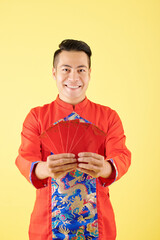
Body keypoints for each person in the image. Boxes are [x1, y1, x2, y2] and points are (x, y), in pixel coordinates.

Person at [16, 39, 131, 240]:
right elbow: (25, 158)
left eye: (81, 70)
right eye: (66, 69)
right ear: (54, 73)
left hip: (98, 224)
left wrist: (105, 168)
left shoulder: (108, 116)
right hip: (47, 225)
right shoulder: (37, 116)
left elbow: (121, 155)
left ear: (89, 73)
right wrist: (45, 169)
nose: (74, 77)